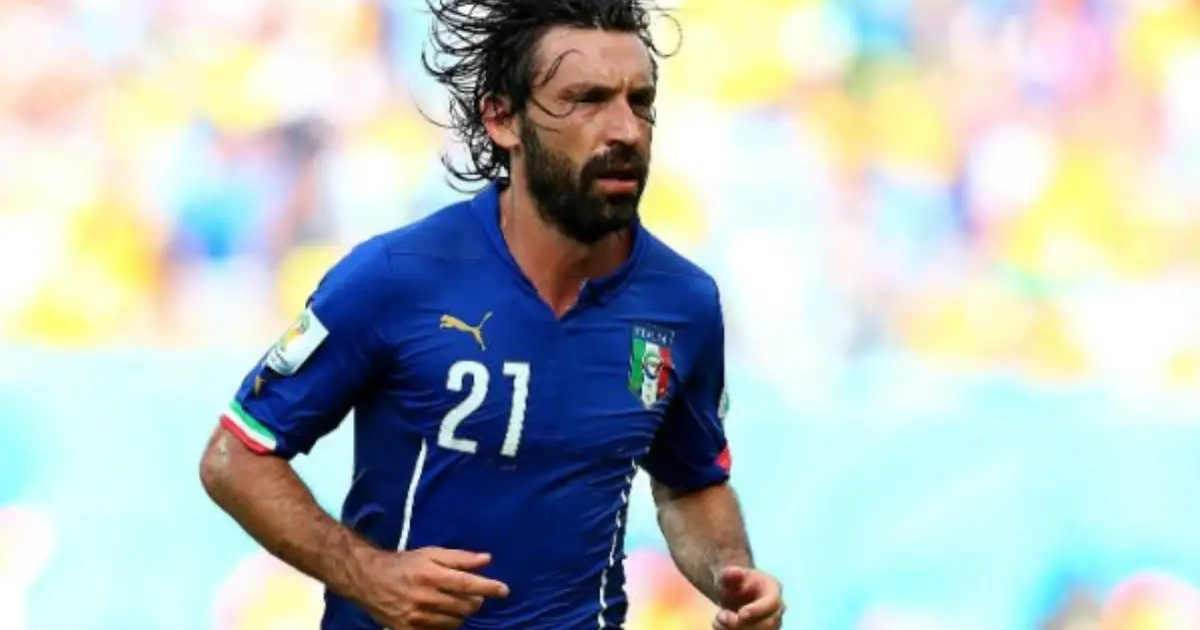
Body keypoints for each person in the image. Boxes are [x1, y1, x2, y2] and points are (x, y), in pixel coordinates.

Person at [198, 0, 786, 628]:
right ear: (503, 118)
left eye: (639, 101)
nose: (625, 130)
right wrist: (367, 574)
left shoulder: (683, 303)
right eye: (586, 100)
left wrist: (732, 575)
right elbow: (237, 458)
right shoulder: (397, 277)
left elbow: (690, 483)